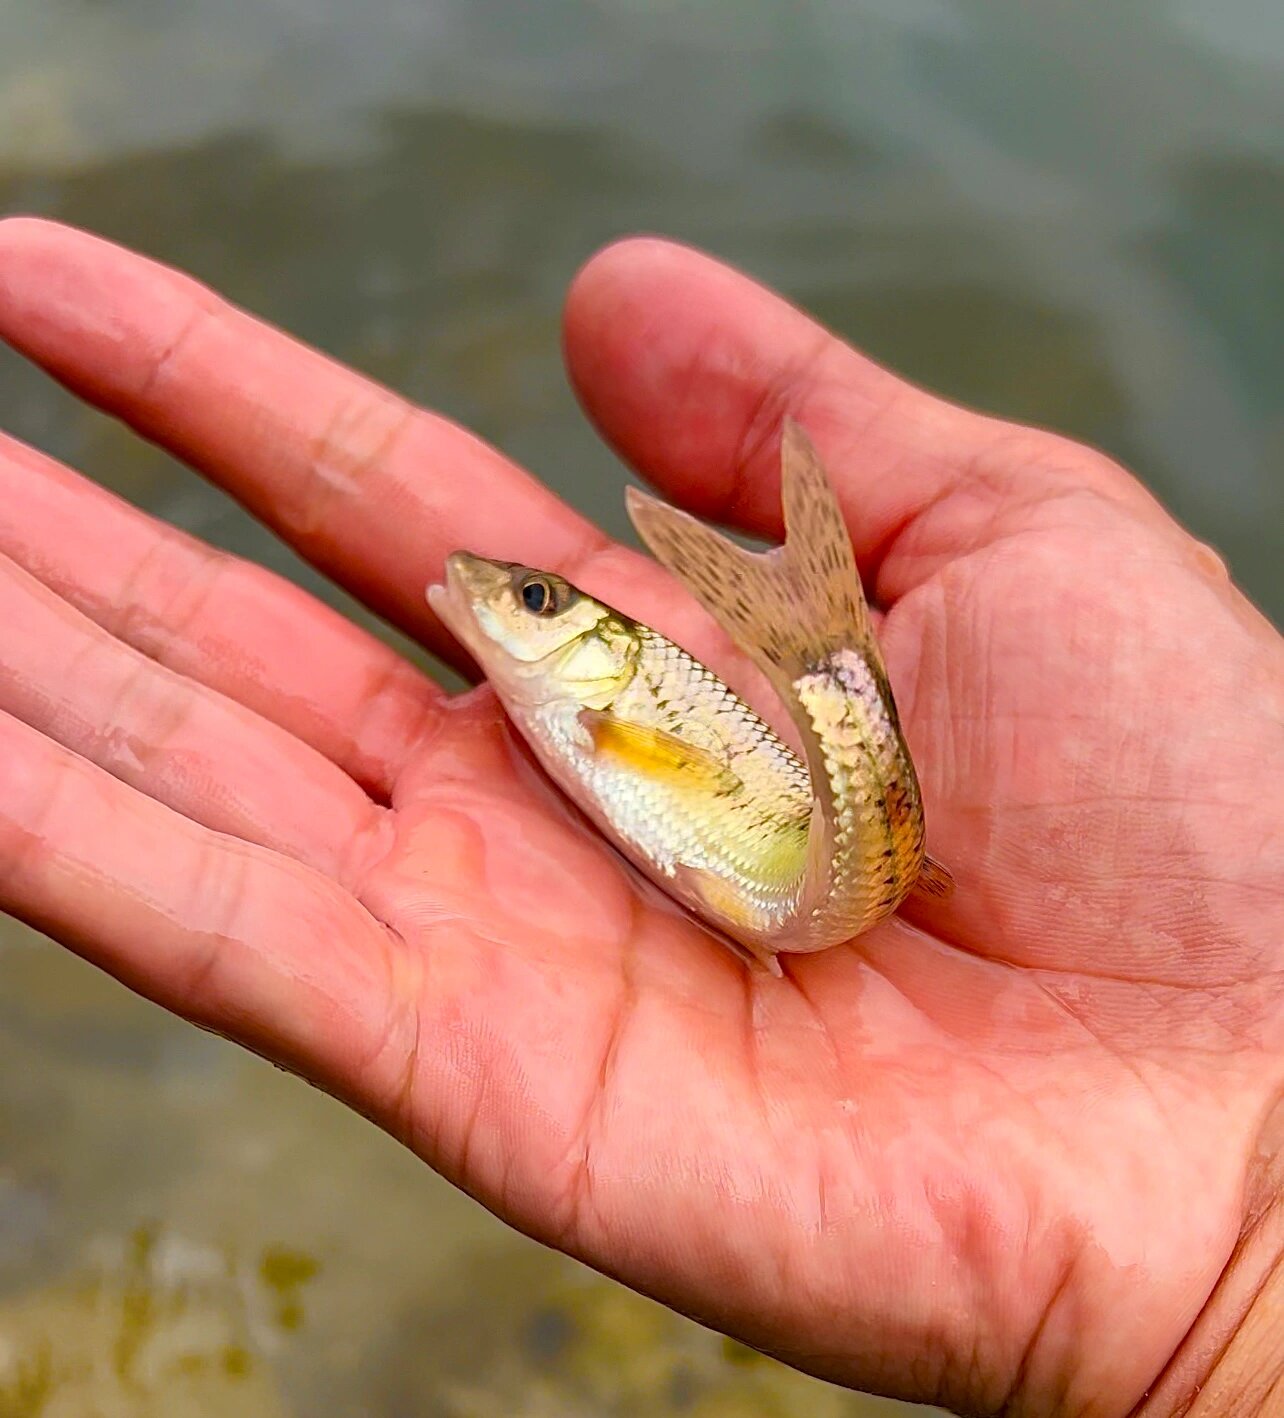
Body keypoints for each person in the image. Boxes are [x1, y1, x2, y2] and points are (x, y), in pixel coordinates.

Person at [0, 217, 1280, 1418]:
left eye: (545, 605)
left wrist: (1240, 1296)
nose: (509, 599)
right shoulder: (593, 710)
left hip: (814, 882)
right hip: (820, 886)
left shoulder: (611, 706)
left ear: (601, 653)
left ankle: (824, 672)